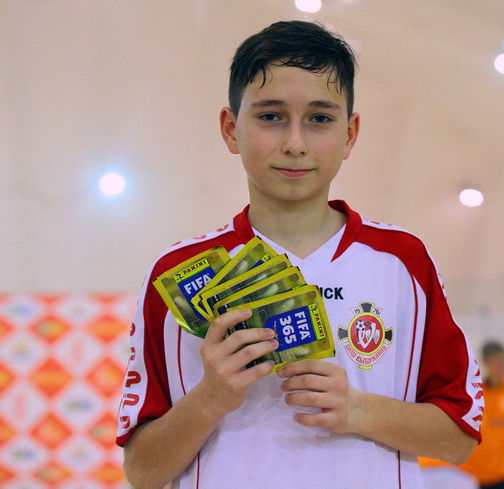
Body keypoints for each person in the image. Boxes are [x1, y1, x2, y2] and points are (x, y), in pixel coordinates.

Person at [116, 20, 484, 489]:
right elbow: (142, 472)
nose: (294, 143)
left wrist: (357, 409)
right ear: (230, 129)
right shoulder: (177, 273)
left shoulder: (402, 262)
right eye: (271, 116)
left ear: (350, 133)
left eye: (319, 119)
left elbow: (459, 439)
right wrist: (210, 398)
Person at [461, 341, 504, 489]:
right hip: (473, 474)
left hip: (502, 473)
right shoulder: (475, 393)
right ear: (485, 363)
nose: (501, 365)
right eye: (496, 361)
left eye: (503, 360)